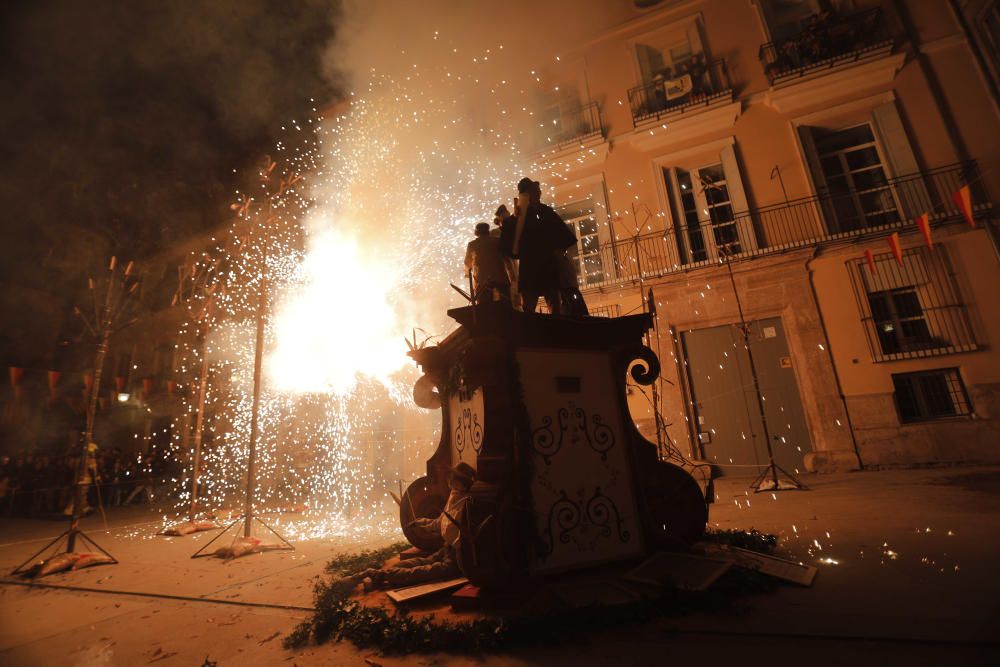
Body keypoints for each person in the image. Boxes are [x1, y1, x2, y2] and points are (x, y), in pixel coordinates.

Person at [361, 462, 476, 589]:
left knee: (424, 572)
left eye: (455, 478)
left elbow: (463, 537)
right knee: (408, 564)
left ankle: (381, 576)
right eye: (452, 477)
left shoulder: (468, 503)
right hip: (445, 549)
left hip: (457, 557)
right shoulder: (454, 495)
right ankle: (385, 574)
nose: (450, 480)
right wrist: (421, 522)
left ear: (463, 483)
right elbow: (440, 523)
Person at [504, 178, 576, 314]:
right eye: (535, 190)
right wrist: (514, 219)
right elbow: (510, 241)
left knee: (554, 305)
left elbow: (562, 233)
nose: (539, 193)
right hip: (531, 266)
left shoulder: (546, 211)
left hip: (548, 265)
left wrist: (559, 250)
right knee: (529, 307)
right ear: (527, 194)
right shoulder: (519, 215)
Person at [464, 222, 510, 305]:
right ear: (488, 231)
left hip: (482, 281)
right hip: (500, 278)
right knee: (505, 304)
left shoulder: (472, 244)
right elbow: (506, 259)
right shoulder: (497, 241)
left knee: (483, 307)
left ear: (477, 232)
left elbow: (467, 262)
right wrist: (512, 276)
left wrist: (468, 273)